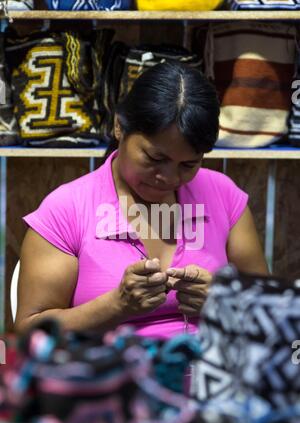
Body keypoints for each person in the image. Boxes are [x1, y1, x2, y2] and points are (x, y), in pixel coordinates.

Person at [15, 61, 269, 338]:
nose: (170, 178)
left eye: (188, 165)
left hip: (211, 377)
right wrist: (116, 305)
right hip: (106, 378)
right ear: (119, 127)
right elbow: (30, 332)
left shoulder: (222, 195)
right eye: (155, 158)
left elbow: (271, 310)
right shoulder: (67, 209)